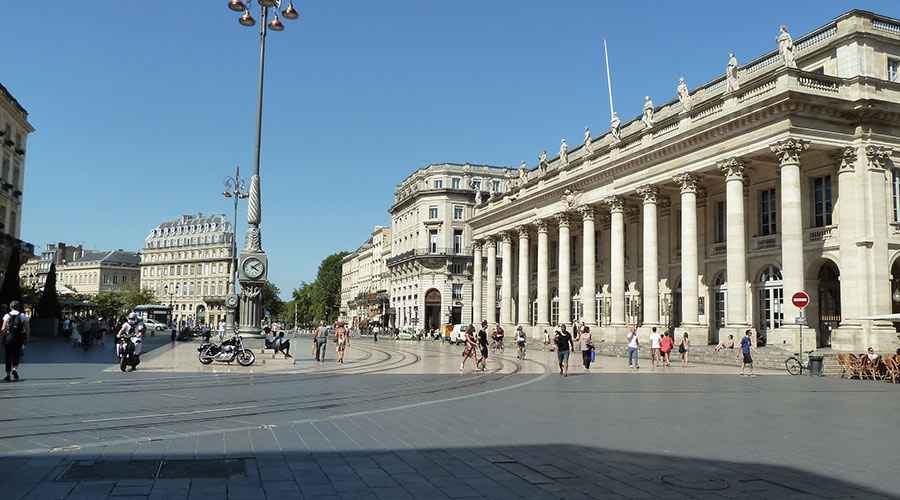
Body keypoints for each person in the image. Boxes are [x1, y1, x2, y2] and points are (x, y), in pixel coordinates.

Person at [2, 301, 29, 382]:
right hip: (18, 338)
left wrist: (2, 337)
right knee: (16, 354)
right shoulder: (23, 315)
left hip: (8, 338)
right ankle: (14, 369)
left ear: (10, 307)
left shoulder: (7, 316)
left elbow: (3, 329)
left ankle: (7, 374)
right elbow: (27, 329)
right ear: (19, 307)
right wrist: (27, 338)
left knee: (8, 356)